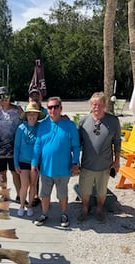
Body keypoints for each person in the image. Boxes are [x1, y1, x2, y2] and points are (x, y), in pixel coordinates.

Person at [31, 96, 80, 227]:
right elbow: (37, 145)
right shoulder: (42, 125)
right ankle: (44, 213)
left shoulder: (69, 125)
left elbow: (76, 146)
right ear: (47, 109)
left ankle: (64, 214)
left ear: (61, 108)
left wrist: (75, 163)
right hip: (46, 169)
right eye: (50, 107)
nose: (53, 110)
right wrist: (34, 162)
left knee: (62, 194)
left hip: (63, 169)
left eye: (55, 107)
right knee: (44, 194)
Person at [77, 91, 121, 222]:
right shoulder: (83, 121)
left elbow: (117, 142)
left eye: (100, 104)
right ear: (91, 105)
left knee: (102, 191)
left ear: (105, 105)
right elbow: (77, 144)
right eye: (94, 104)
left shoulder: (113, 121)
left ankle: (99, 209)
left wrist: (117, 160)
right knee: (85, 190)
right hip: (87, 165)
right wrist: (75, 162)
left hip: (105, 165)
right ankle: (85, 209)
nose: (97, 107)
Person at [14, 102, 46, 217]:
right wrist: (15, 163)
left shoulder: (40, 128)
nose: (32, 117)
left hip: (35, 161)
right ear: (26, 116)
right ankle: (22, 205)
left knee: (33, 184)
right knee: (25, 184)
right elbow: (16, 147)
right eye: (29, 114)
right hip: (23, 161)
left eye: (34, 114)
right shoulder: (21, 128)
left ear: (37, 116)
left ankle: (30, 206)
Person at [0, 86, 22, 201]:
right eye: (1, 96)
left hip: (14, 150)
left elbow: (29, 120)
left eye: (6, 96)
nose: (4, 99)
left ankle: (20, 195)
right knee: (2, 174)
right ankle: (4, 195)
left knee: (16, 173)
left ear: (9, 97)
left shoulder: (17, 111)